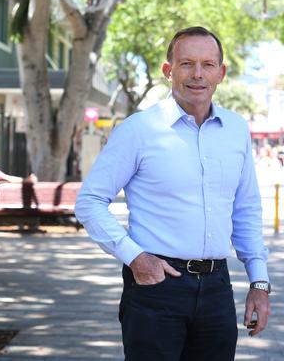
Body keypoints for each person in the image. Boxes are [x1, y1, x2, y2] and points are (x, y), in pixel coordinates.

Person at [75, 26, 270, 361]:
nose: (197, 74)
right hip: (156, 287)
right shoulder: (138, 130)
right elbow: (89, 202)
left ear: (221, 73)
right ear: (168, 71)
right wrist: (135, 257)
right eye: (186, 64)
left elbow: (246, 209)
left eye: (208, 65)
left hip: (217, 288)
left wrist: (259, 283)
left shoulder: (237, 130)